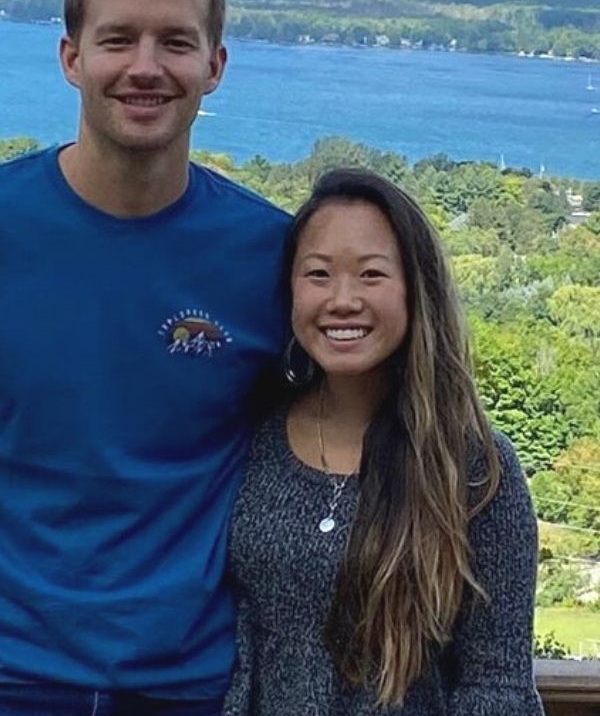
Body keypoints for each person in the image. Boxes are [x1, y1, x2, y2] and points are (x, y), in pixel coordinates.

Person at [0, 0, 290, 715]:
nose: (146, 66)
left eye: (176, 42)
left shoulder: (272, 257)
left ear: (214, 66)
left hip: (190, 684)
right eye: (118, 38)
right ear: (71, 58)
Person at [224, 168, 545, 715]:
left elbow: (497, 684)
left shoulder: (471, 465)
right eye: (318, 274)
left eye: (371, 274)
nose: (343, 299)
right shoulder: (251, 434)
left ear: (416, 290)